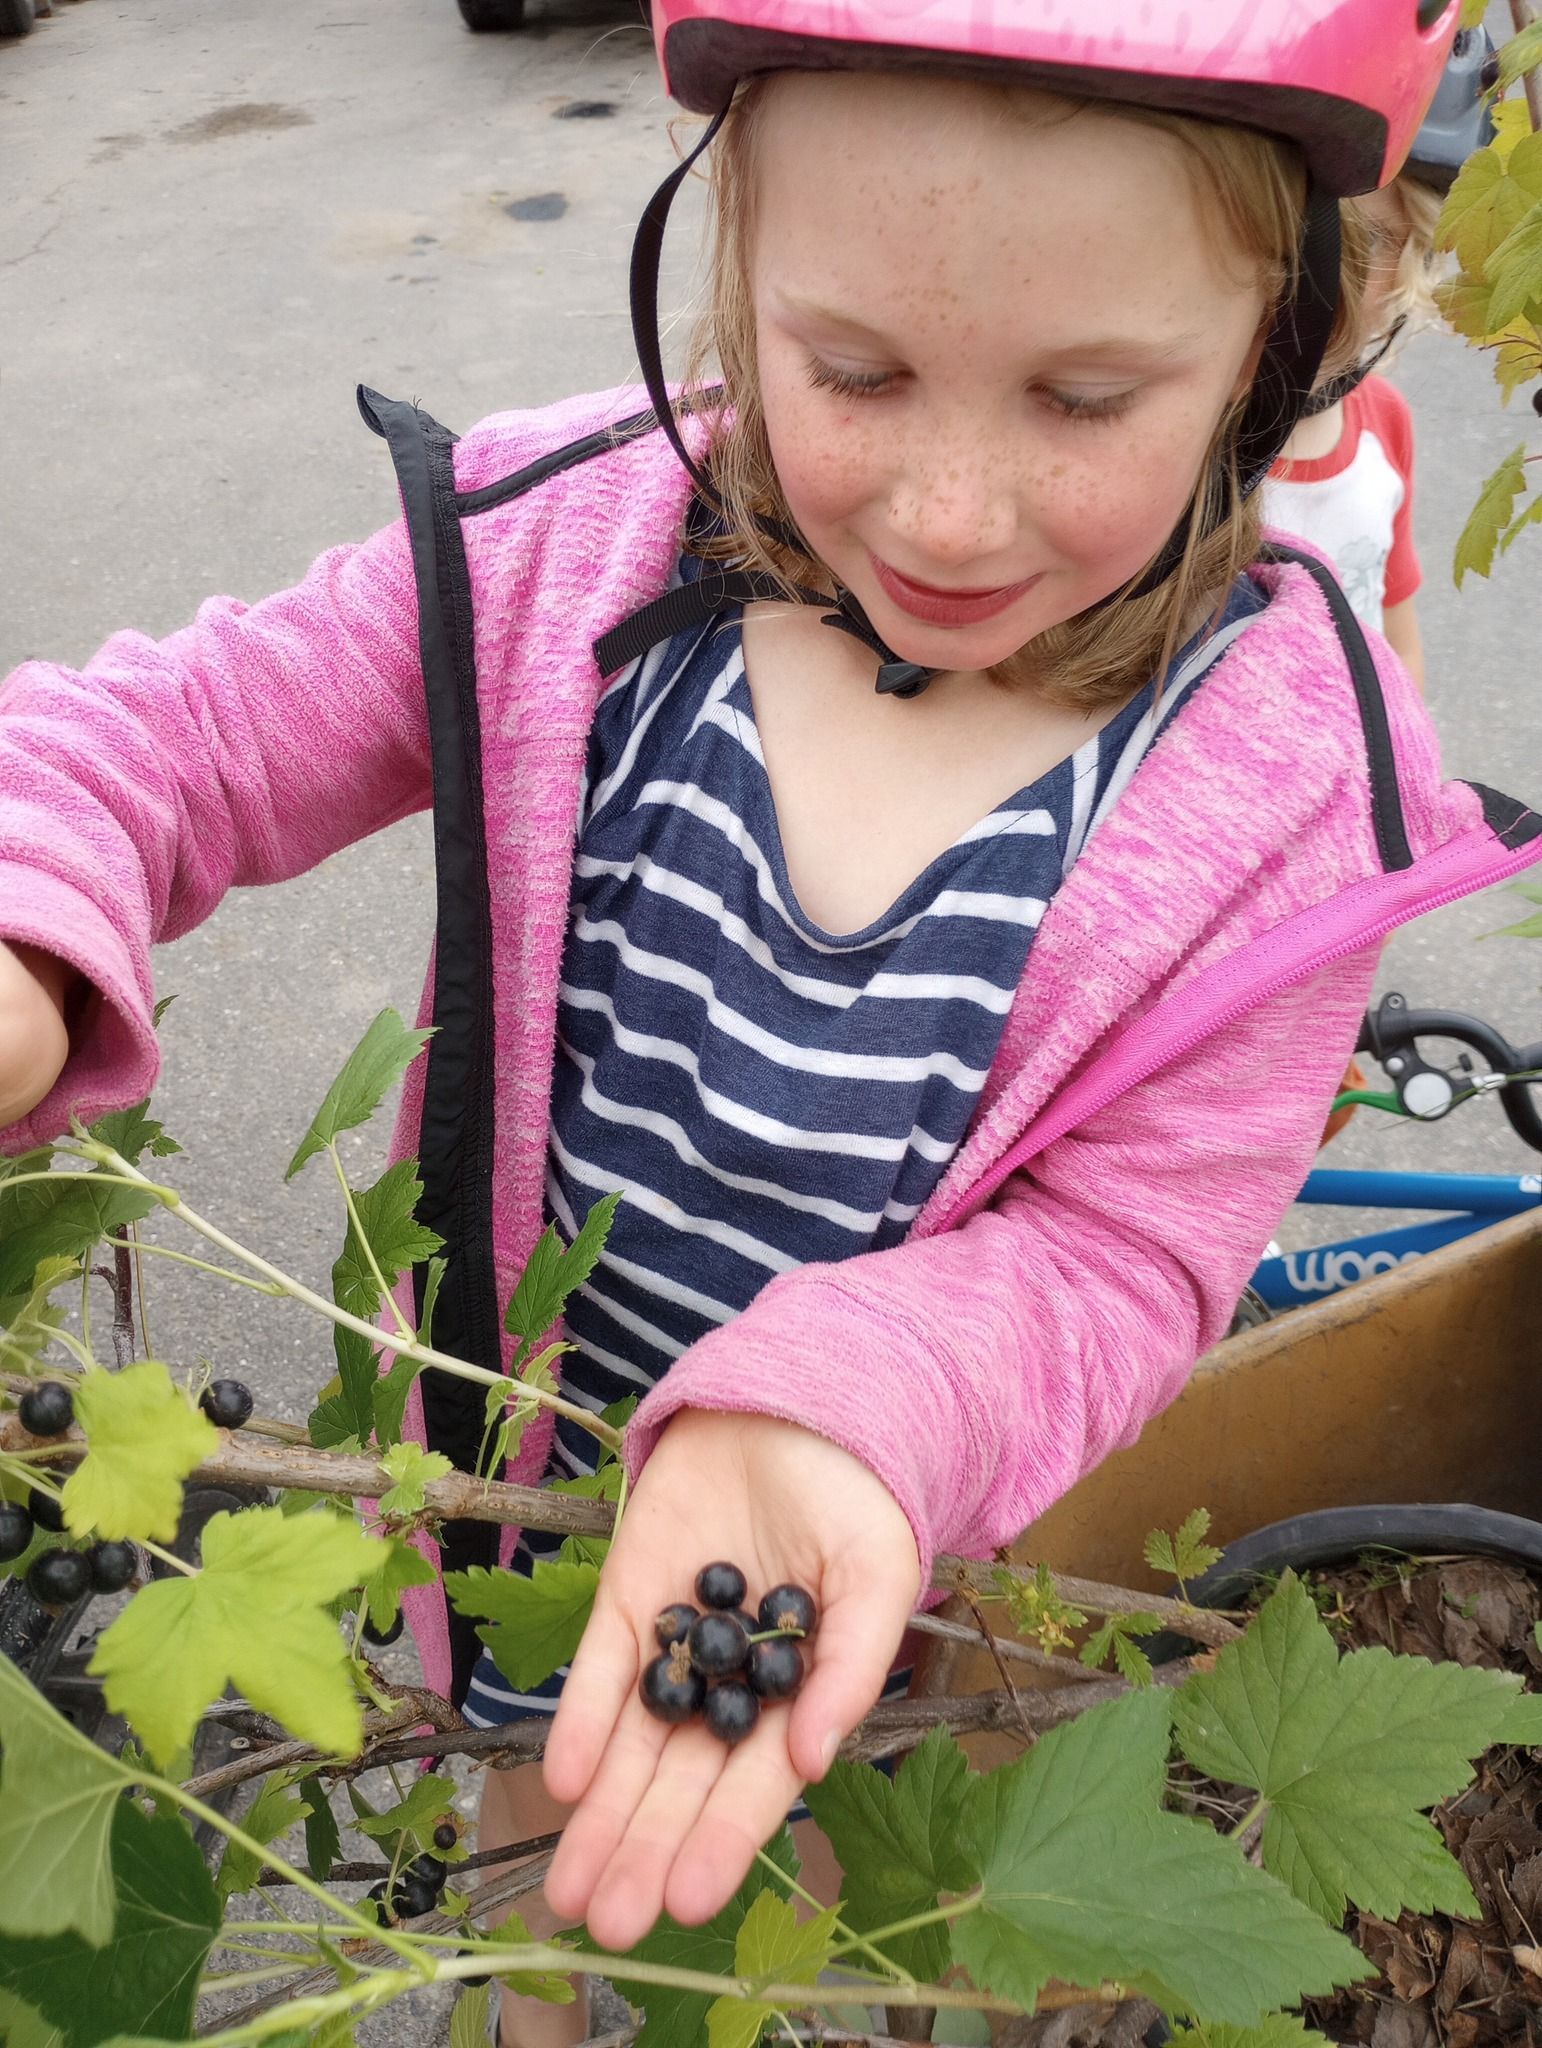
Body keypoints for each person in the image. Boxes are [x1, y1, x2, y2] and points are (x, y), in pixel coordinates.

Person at [1, 6, 1538, 2046]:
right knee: (541, 1819)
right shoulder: (569, 553)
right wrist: (32, 924)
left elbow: (1121, 1256)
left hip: (902, 1547)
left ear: (1280, 342)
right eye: (853, 370)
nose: (951, 514)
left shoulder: (1290, 799)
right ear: (732, 261)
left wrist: (840, 1406)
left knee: (842, 1888)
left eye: (1086, 397)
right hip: (525, 1477)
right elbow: (168, 739)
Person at [1263, 27, 1495, 691]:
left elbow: (1396, 637)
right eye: (1287, 237)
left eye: (1363, 246)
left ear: (1413, 257)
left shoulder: (1384, 425)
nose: (1318, 279)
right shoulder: (1182, 446)